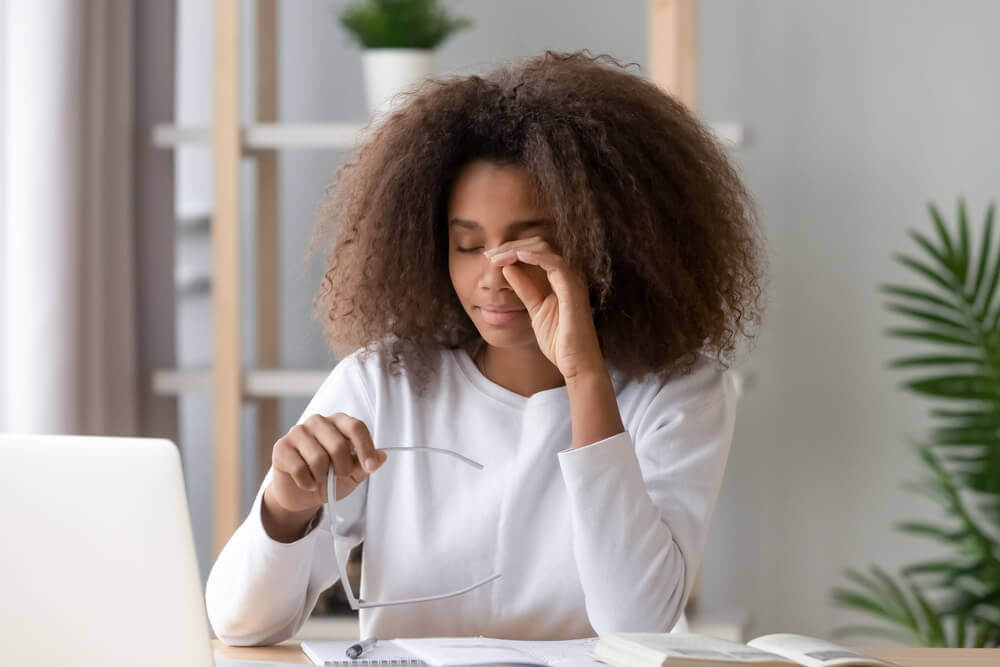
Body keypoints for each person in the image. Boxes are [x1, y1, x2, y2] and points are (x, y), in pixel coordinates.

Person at [206, 50, 768, 646]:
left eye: (528, 246)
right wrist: (287, 506)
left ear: (608, 248)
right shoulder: (384, 382)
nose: (492, 276)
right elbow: (241, 625)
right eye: (468, 245)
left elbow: (635, 625)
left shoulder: (678, 391)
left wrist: (583, 375)